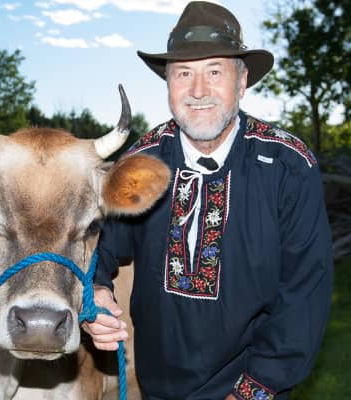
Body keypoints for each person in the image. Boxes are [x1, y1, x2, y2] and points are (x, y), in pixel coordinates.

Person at [82, 2, 333, 399]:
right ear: (168, 83)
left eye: (214, 71)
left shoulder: (287, 166)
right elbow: (95, 246)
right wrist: (93, 294)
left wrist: (254, 389)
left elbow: (304, 294)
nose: (198, 91)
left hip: (251, 388)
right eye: (183, 73)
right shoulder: (139, 163)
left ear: (242, 79)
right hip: (156, 386)